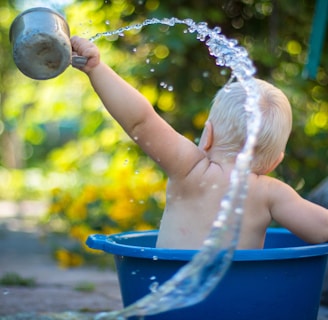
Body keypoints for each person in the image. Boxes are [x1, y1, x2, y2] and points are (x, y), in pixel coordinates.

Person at [71, 36, 328, 250]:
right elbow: (321, 230)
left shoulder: (189, 169)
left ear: (207, 136)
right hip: (239, 304)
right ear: (275, 161)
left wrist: (96, 68)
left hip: (171, 299)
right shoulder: (271, 193)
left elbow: (141, 121)